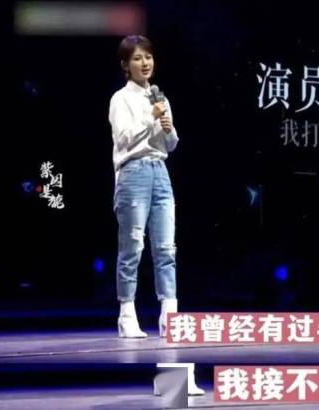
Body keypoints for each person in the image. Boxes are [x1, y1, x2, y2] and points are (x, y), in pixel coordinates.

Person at [109, 35, 179, 339]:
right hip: (133, 172)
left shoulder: (159, 98)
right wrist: (151, 119)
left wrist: (168, 129)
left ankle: (169, 315)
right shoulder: (120, 99)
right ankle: (127, 315)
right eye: (137, 58)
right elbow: (124, 139)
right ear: (126, 65)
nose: (145, 63)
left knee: (166, 247)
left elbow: (171, 144)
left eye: (148, 57)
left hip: (160, 170)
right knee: (133, 246)